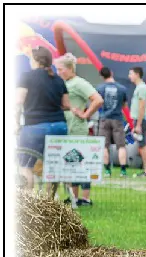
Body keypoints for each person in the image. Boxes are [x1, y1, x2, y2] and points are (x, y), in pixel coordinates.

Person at [15, 47, 69, 193]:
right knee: (53, 165)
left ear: (35, 60)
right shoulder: (58, 79)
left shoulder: (26, 76)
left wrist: (15, 122)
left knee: (26, 165)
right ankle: (50, 203)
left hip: (34, 126)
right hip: (59, 125)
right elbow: (66, 104)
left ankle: (27, 202)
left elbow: (18, 101)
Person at [54, 53, 103, 206]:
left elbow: (98, 99)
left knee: (81, 162)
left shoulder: (79, 83)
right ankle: (73, 197)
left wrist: (86, 114)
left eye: (60, 69)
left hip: (77, 128)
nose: (58, 72)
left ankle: (86, 198)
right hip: (68, 127)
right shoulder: (66, 83)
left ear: (69, 69)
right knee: (70, 163)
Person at [96, 66, 129, 177]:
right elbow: (124, 105)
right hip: (117, 119)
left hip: (104, 119)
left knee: (105, 146)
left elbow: (97, 102)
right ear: (111, 73)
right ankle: (123, 171)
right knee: (121, 146)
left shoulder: (100, 88)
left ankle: (107, 171)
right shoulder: (122, 88)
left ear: (101, 76)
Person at [128, 66, 146, 177]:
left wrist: (138, 125)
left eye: (131, 74)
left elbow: (142, 107)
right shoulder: (139, 88)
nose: (129, 76)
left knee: (143, 146)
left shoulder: (142, 88)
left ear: (137, 74)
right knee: (141, 146)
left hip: (142, 121)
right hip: (139, 120)